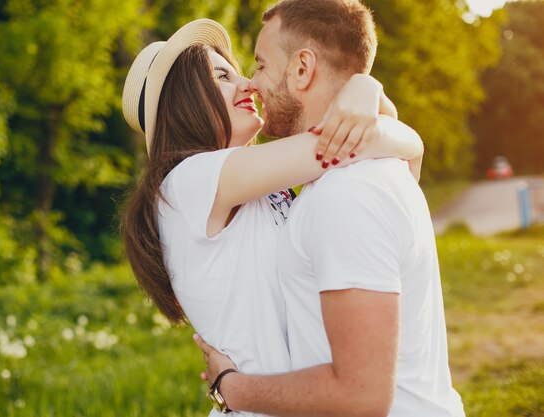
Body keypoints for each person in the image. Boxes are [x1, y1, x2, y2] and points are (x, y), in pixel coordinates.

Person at [120, 16, 422, 417]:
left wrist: (371, 92)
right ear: (185, 100)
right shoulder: (187, 183)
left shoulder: (255, 192)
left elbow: (398, 168)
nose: (249, 84)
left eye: (243, 71)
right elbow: (351, 146)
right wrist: (369, 94)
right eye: (223, 76)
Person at [194, 1, 465, 416]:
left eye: (262, 65)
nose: (254, 83)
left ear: (302, 68)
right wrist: (373, 95)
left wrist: (231, 388)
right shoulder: (357, 175)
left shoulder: (348, 195)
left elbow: (361, 396)